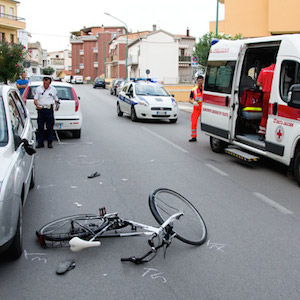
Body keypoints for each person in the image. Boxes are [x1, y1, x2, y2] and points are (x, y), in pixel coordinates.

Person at [34, 76, 60, 148]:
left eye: (47, 83)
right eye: (44, 82)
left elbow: (56, 99)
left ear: (49, 83)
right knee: (40, 127)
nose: (45, 84)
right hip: (41, 109)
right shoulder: (38, 89)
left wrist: (57, 105)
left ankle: (50, 142)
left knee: (50, 126)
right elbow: (35, 100)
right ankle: (40, 142)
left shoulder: (53, 89)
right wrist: (37, 105)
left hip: (49, 109)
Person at [257, 60, 276, 141]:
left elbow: (258, 83)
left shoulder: (264, 70)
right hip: (275, 95)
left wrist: (265, 84)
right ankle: (270, 133)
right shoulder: (278, 70)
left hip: (266, 94)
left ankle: (262, 133)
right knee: (274, 116)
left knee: (265, 115)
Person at [189, 75, 204, 142]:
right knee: (194, 122)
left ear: (203, 81)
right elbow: (190, 99)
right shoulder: (193, 90)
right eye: (199, 81)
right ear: (197, 81)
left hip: (204, 107)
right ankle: (194, 136)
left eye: (201, 80)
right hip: (197, 107)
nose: (200, 82)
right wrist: (193, 102)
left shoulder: (205, 89)